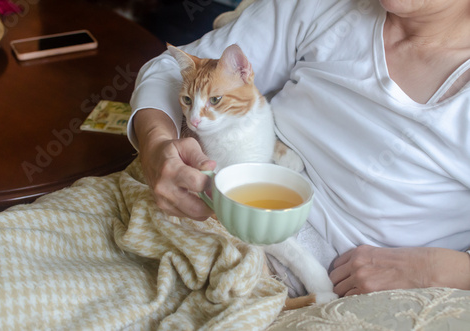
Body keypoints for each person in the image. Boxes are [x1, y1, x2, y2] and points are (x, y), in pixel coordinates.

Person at [128, 0, 470, 297]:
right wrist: (157, 145)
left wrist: (444, 271)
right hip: (218, 206)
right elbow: (167, 71)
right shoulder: (324, 8)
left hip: (322, 270)